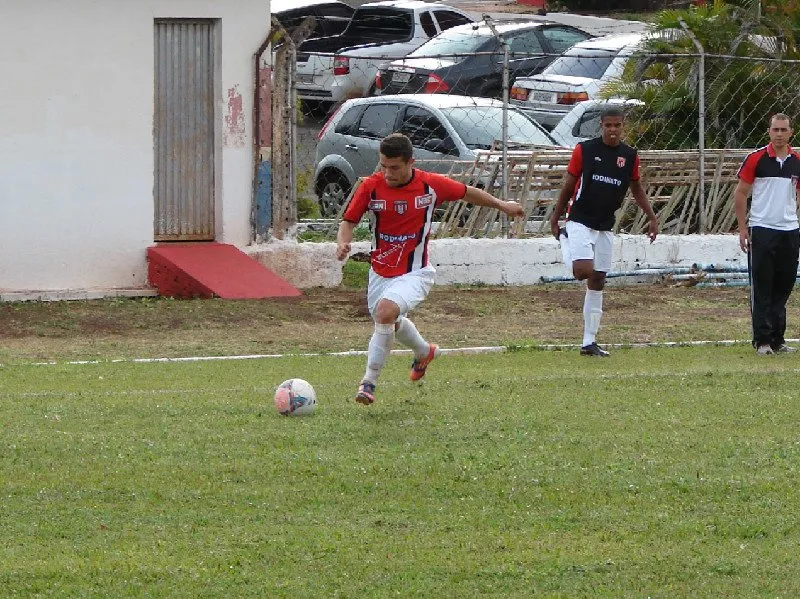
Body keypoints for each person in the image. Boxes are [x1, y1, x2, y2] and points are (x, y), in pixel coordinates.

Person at [336, 132, 525, 405]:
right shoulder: (371, 187)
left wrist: (503, 205)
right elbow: (348, 221)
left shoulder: (430, 185)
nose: (388, 173)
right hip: (379, 271)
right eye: (383, 166)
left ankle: (368, 383)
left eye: (395, 168)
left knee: (385, 313)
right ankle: (424, 352)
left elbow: (469, 193)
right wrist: (343, 243)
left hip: (415, 272)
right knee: (388, 320)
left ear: (410, 162)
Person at [549, 105, 658, 357]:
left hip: (605, 224)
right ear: (601, 126)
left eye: (617, 125)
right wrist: (556, 218)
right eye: (608, 125)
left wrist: (652, 217)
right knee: (582, 272)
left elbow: (637, 187)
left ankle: (589, 341)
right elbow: (568, 185)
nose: (612, 130)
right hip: (579, 219)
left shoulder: (629, 155)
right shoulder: (585, 151)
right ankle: (565, 239)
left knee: (597, 279)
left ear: (623, 126)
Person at [734, 113, 800, 355]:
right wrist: (743, 228)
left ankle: (778, 339)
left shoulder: (796, 161)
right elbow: (741, 194)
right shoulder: (756, 159)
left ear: (791, 132)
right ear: (769, 131)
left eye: (784, 130)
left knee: (784, 286)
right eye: (776, 130)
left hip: (789, 231)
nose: (780, 134)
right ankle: (762, 340)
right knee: (762, 286)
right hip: (762, 229)